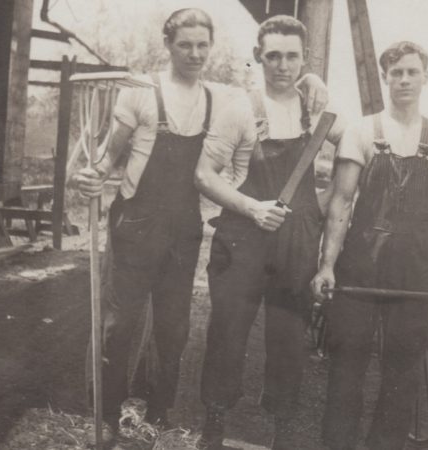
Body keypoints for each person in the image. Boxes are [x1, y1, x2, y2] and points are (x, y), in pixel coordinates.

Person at [72, 8, 328, 439]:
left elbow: (277, 79)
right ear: (168, 45)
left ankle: (158, 415)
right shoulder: (140, 92)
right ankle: (108, 416)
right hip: (136, 222)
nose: (194, 53)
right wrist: (90, 176)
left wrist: (311, 79)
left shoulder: (217, 97)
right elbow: (105, 157)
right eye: (185, 44)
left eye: (202, 45)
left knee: (173, 329)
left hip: (183, 228)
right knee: (120, 325)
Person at [310, 41, 428, 450]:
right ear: (385, 77)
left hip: (414, 275)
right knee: (347, 366)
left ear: (425, 77)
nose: (403, 79)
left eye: (411, 72)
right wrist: (327, 265)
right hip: (360, 271)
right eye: (396, 72)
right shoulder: (363, 131)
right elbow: (341, 203)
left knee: (402, 373)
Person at [194, 15, 345, 450]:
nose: (282, 65)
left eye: (292, 57)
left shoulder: (316, 111)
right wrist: (250, 207)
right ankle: (215, 425)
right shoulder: (240, 109)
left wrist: (323, 199)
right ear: (259, 57)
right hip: (242, 238)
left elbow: (360, 150)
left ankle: (282, 430)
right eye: (273, 55)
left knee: (288, 339)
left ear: (304, 60)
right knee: (226, 333)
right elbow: (204, 175)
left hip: (294, 243)